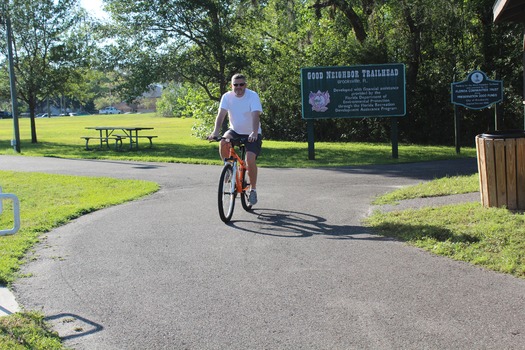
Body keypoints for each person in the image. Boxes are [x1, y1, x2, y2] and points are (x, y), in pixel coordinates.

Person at [208, 73, 263, 205]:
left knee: (249, 160)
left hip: (252, 133)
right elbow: (221, 115)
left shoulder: (252, 96)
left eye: (241, 84)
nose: (238, 87)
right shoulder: (227, 96)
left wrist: (254, 132)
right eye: (235, 85)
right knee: (223, 141)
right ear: (231, 85)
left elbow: (255, 115)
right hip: (235, 131)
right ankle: (228, 168)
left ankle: (253, 190)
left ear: (246, 85)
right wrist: (215, 132)